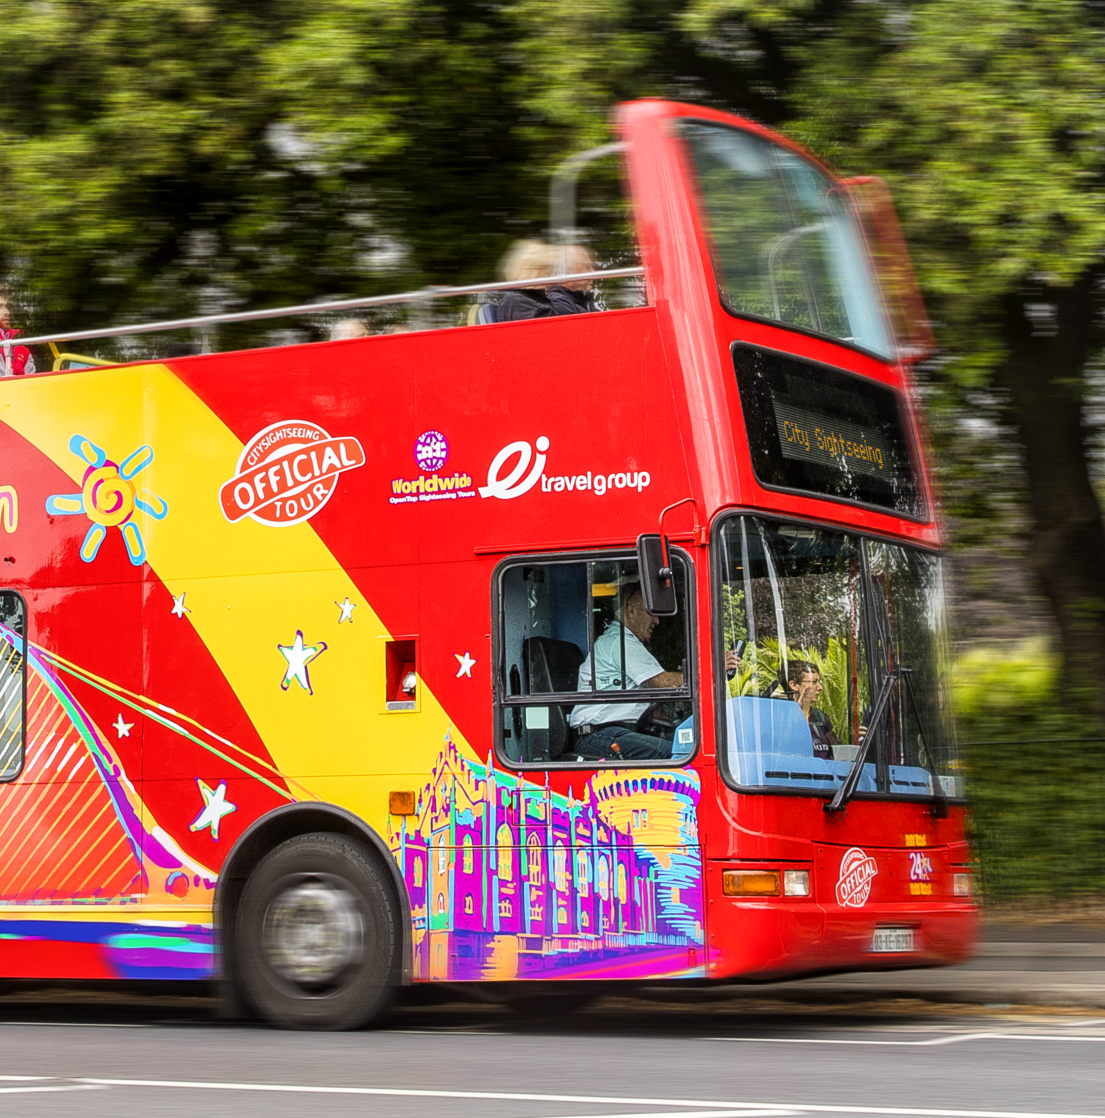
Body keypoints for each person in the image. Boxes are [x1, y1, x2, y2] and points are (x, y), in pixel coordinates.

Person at [496, 240, 595, 321]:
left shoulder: (536, 301)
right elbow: (549, 328)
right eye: (548, 273)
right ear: (532, 274)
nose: (552, 278)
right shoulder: (515, 301)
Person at [778, 659, 838, 759]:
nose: (820, 687)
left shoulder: (821, 718)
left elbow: (833, 753)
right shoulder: (779, 715)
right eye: (814, 682)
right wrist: (800, 711)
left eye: (819, 682)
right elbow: (783, 749)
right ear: (794, 685)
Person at [0, 288, 36, 377]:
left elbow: (30, 384)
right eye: (0, 307)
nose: (7, 312)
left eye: (6, 307)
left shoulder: (23, 351)